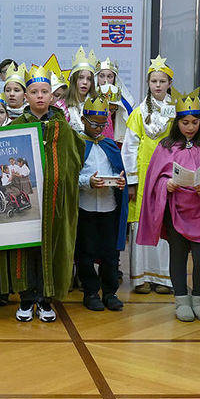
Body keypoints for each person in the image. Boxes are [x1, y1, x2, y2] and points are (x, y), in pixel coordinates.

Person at [0, 65, 85, 323]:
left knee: (52, 247)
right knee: (27, 248)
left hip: (55, 202)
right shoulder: (16, 126)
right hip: (28, 202)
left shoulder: (63, 128)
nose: (39, 96)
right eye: (34, 92)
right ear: (25, 96)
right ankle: (26, 298)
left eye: (44, 91)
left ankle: (47, 299)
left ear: (52, 96)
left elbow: (73, 162)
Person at [137, 89, 200, 322]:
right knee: (177, 257)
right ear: (177, 122)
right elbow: (154, 178)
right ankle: (181, 300)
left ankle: (199, 298)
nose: (190, 127)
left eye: (195, 122)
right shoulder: (165, 146)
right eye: (185, 122)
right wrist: (166, 185)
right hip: (175, 209)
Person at [122, 57, 176, 295]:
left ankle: (163, 278)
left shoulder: (177, 112)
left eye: (162, 81)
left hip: (168, 174)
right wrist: (132, 181)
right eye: (153, 80)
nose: (157, 85)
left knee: (165, 222)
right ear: (148, 82)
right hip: (144, 174)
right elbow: (130, 147)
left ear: (169, 83)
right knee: (141, 223)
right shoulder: (138, 113)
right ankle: (141, 277)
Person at [76, 93, 128, 311]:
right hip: (85, 206)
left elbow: (119, 170)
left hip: (108, 207)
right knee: (85, 251)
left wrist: (121, 182)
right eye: (93, 124)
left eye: (102, 124)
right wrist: (88, 181)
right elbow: (71, 175)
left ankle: (110, 292)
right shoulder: (77, 144)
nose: (98, 128)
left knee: (109, 252)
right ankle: (90, 292)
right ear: (83, 120)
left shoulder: (110, 145)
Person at [96, 58, 135, 143]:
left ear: (114, 79)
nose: (105, 80)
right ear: (97, 77)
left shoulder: (123, 102)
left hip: (116, 140)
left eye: (109, 76)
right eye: (102, 76)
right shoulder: (89, 98)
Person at [65, 46, 97, 133]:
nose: (85, 82)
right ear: (74, 80)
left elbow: (106, 137)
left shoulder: (98, 106)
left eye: (89, 79)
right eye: (81, 78)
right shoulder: (61, 107)